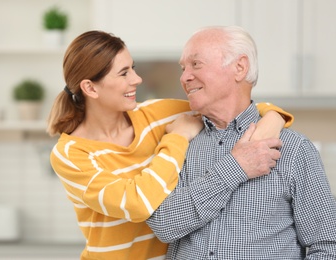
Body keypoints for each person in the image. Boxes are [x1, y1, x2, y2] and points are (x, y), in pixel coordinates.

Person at [46, 30, 293, 259]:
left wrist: (275, 116)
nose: (137, 79)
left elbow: (226, 105)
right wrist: (176, 139)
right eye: (124, 73)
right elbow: (138, 203)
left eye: (132, 68)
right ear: (90, 87)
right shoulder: (70, 154)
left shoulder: (156, 113)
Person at [146, 25, 336, 259]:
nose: (184, 77)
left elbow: (327, 246)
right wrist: (235, 167)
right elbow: (164, 225)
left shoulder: (294, 149)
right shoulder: (178, 142)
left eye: (196, 64)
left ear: (239, 67)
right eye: (183, 67)